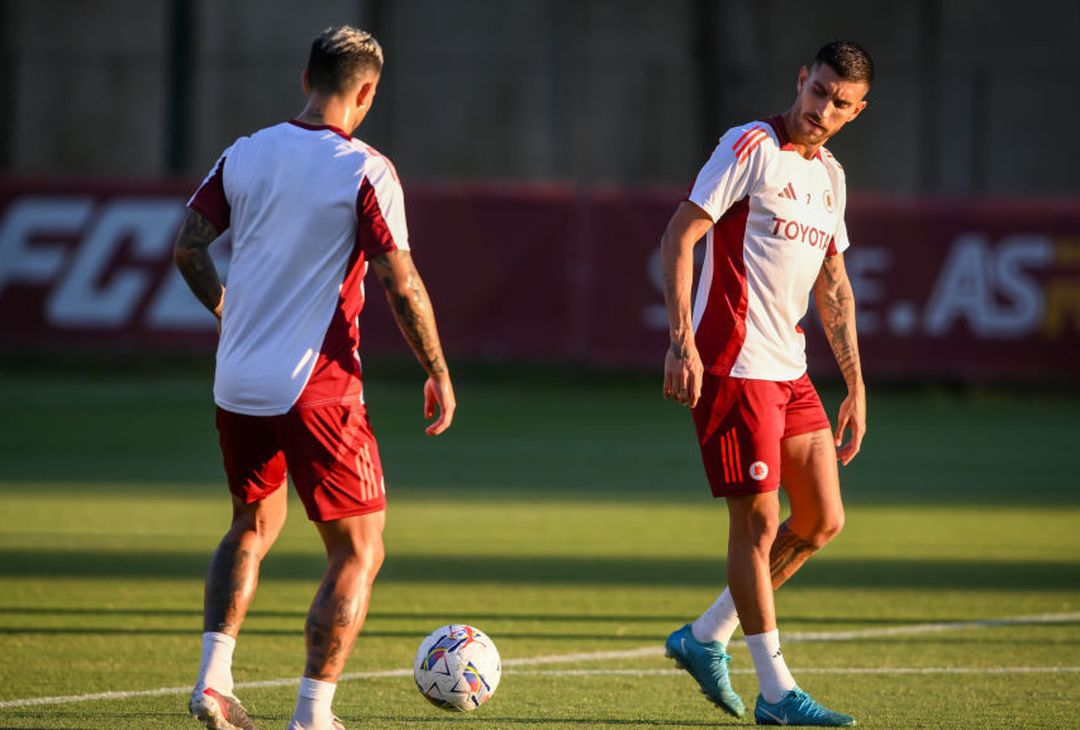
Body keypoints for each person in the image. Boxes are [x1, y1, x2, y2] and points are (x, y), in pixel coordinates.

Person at [174, 26, 455, 730]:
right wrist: (437, 370)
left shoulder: (245, 152)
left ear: (305, 79)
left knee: (250, 524)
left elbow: (188, 248)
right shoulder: (366, 170)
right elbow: (401, 283)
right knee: (359, 550)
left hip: (237, 380)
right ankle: (312, 715)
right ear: (367, 93)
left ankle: (213, 680)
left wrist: (227, 312)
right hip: (317, 385)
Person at [659, 41, 871, 727]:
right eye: (820, 91)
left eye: (841, 103)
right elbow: (680, 235)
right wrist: (682, 342)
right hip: (733, 363)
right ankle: (777, 694)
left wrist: (855, 384)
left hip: (791, 369)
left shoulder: (831, 176)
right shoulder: (750, 145)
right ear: (802, 79)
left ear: (857, 111)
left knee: (821, 520)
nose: (824, 108)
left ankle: (706, 635)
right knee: (756, 524)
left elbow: (834, 284)